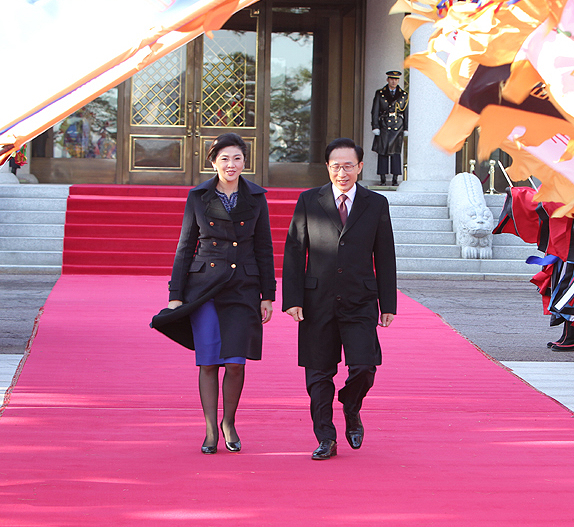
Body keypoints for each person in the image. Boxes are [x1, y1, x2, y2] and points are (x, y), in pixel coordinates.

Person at [151, 132, 276, 455]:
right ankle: (210, 429)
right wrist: (175, 295)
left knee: (236, 362)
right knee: (208, 362)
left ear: (245, 161)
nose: (231, 165)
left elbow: (264, 247)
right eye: (224, 159)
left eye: (237, 158)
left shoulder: (257, 198)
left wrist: (268, 294)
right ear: (213, 162)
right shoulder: (198, 197)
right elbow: (185, 247)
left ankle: (229, 422)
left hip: (243, 289)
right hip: (204, 288)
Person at [282, 137, 397, 460]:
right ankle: (326, 438)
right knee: (318, 372)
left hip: (361, 299)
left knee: (365, 366)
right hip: (316, 300)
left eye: (348, 166)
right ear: (327, 168)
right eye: (336, 166)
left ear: (360, 167)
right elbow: (294, 251)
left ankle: (350, 404)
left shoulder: (375, 204)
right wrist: (292, 298)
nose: (342, 172)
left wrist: (388, 304)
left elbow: (385, 255)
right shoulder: (309, 200)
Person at [371, 70, 408, 186]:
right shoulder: (380, 93)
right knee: (383, 151)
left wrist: (406, 128)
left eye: (396, 79)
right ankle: (382, 178)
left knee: (396, 152)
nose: (394, 81)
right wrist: (375, 126)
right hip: (384, 125)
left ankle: (395, 178)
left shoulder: (403, 95)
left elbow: (406, 112)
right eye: (392, 79)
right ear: (387, 80)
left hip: (398, 125)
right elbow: (375, 110)